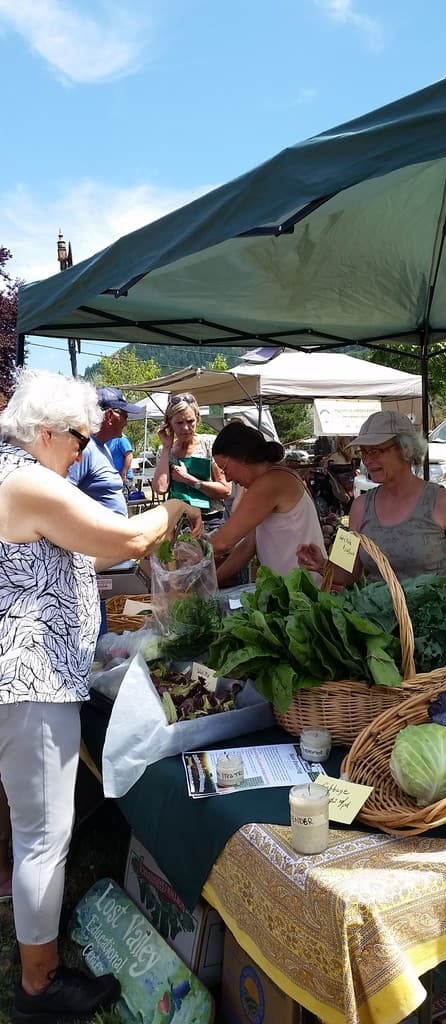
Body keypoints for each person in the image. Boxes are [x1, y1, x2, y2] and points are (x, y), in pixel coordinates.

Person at [0, 369, 203, 1023]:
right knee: (43, 835)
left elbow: (69, 553)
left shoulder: (18, 477)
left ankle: (34, 951)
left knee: (33, 828)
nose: (84, 451)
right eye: (80, 438)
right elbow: (128, 537)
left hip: (28, 680)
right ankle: (39, 986)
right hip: (30, 683)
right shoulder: (27, 481)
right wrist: (175, 510)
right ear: (47, 431)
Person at [297, 410, 446, 590]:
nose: (367, 460)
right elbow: (350, 573)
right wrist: (322, 564)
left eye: (375, 451)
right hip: (377, 615)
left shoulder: (443, 502)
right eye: (363, 451)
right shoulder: (359, 506)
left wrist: (442, 594)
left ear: (405, 449)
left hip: (432, 614)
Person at [208, 421, 327, 585]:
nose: (227, 478)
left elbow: (222, 543)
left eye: (225, 469)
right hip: (295, 588)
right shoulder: (273, 478)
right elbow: (248, 545)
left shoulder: (270, 482)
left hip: (304, 590)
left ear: (242, 457)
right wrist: (213, 580)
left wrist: (193, 550)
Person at [153, 393, 231, 527]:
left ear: (197, 419)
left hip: (210, 520)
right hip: (177, 521)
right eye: (179, 423)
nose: (185, 428)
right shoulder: (164, 450)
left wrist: (189, 480)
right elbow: (160, 488)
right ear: (169, 424)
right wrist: (166, 448)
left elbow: (226, 490)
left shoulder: (209, 444)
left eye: (190, 421)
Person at [68, 387, 143, 515]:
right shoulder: (85, 449)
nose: (126, 423)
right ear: (109, 415)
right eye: (125, 416)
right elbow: (65, 496)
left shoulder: (103, 447)